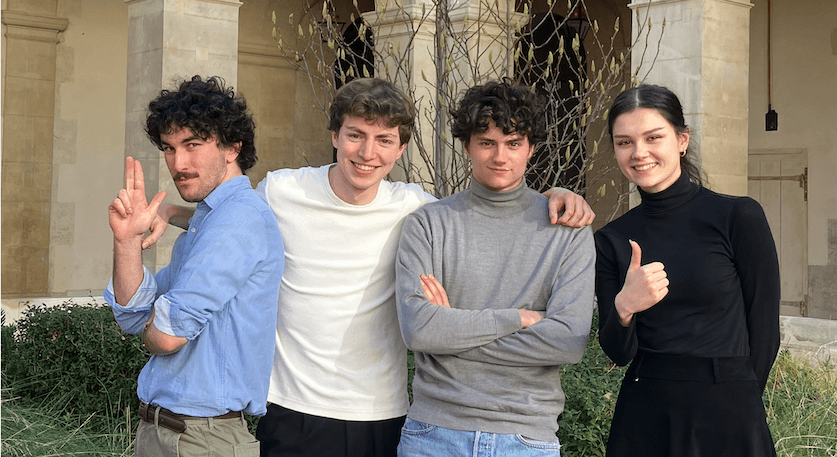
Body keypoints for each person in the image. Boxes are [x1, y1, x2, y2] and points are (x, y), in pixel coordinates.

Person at [151, 77, 595, 457]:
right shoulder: (282, 191)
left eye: (384, 140)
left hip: (383, 414)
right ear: (334, 136)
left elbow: (489, 206)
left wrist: (557, 195)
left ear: (401, 148)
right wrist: (172, 212)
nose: (367, 153)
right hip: (290, 407)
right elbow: (237, 222)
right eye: (355, 135)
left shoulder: (416, 209)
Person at [394, 80, 597, 456]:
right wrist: (515, 319)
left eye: (513, 143)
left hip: (526, 438)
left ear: (531, 148)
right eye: (487, 143)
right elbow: (419, 331)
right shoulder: (427, 224)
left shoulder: (568, 230)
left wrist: (452, 333)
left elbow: (567, 341)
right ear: (467, 146)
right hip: (434, 433)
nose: (500, 157)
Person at [594, 84, 780, 456]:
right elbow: (617, 351)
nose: (639, 152)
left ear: (682, 139)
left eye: (653, 137)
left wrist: (741, 403)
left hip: (729, 411)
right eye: (625, 142)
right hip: (644, 415)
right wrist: (625, 307)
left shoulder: (737, 216)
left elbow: (764, 330)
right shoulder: (612, 238)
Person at [104, 75, 285, 457]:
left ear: (232, 147)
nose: (178, 163)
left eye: (193, 145)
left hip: (202, 439)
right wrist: (127, 241)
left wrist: (155, 326)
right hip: (166, 431)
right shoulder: (208, 222)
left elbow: (166, 337)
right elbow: (132, 314)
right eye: (169, 148)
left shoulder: (238, 219)